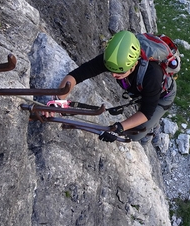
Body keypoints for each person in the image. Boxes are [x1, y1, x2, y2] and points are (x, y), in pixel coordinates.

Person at [49, 30, 177, 144]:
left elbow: (146, 112)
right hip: (143, 91)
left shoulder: (152, 75)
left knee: (138, 133)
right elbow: (76, 75)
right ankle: (151, 124)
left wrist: (119, 128)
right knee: (142, 110)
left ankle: (149, 133)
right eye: (111, 71)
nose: (114, 75)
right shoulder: (114, 59)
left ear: (133, 65)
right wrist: (58, 100)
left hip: (163, 96)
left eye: (119, 72)